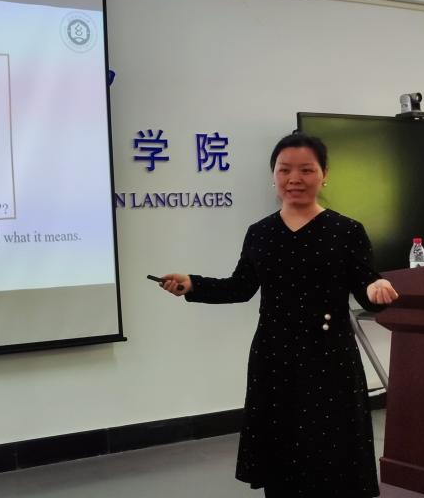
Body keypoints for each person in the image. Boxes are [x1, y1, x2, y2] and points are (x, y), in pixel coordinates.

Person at [159, 132, 398, 498]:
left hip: (330, 357)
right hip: (274, 357)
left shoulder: (346, 230)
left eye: (306, 170)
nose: (294, 179)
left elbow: (366, 284)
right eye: (284, 170)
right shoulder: (260, 232)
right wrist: (193, 284)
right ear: (273, 175)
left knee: (331, 455)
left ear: (324, 175)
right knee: (280, 455)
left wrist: (376, 290)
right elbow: (240, 287)